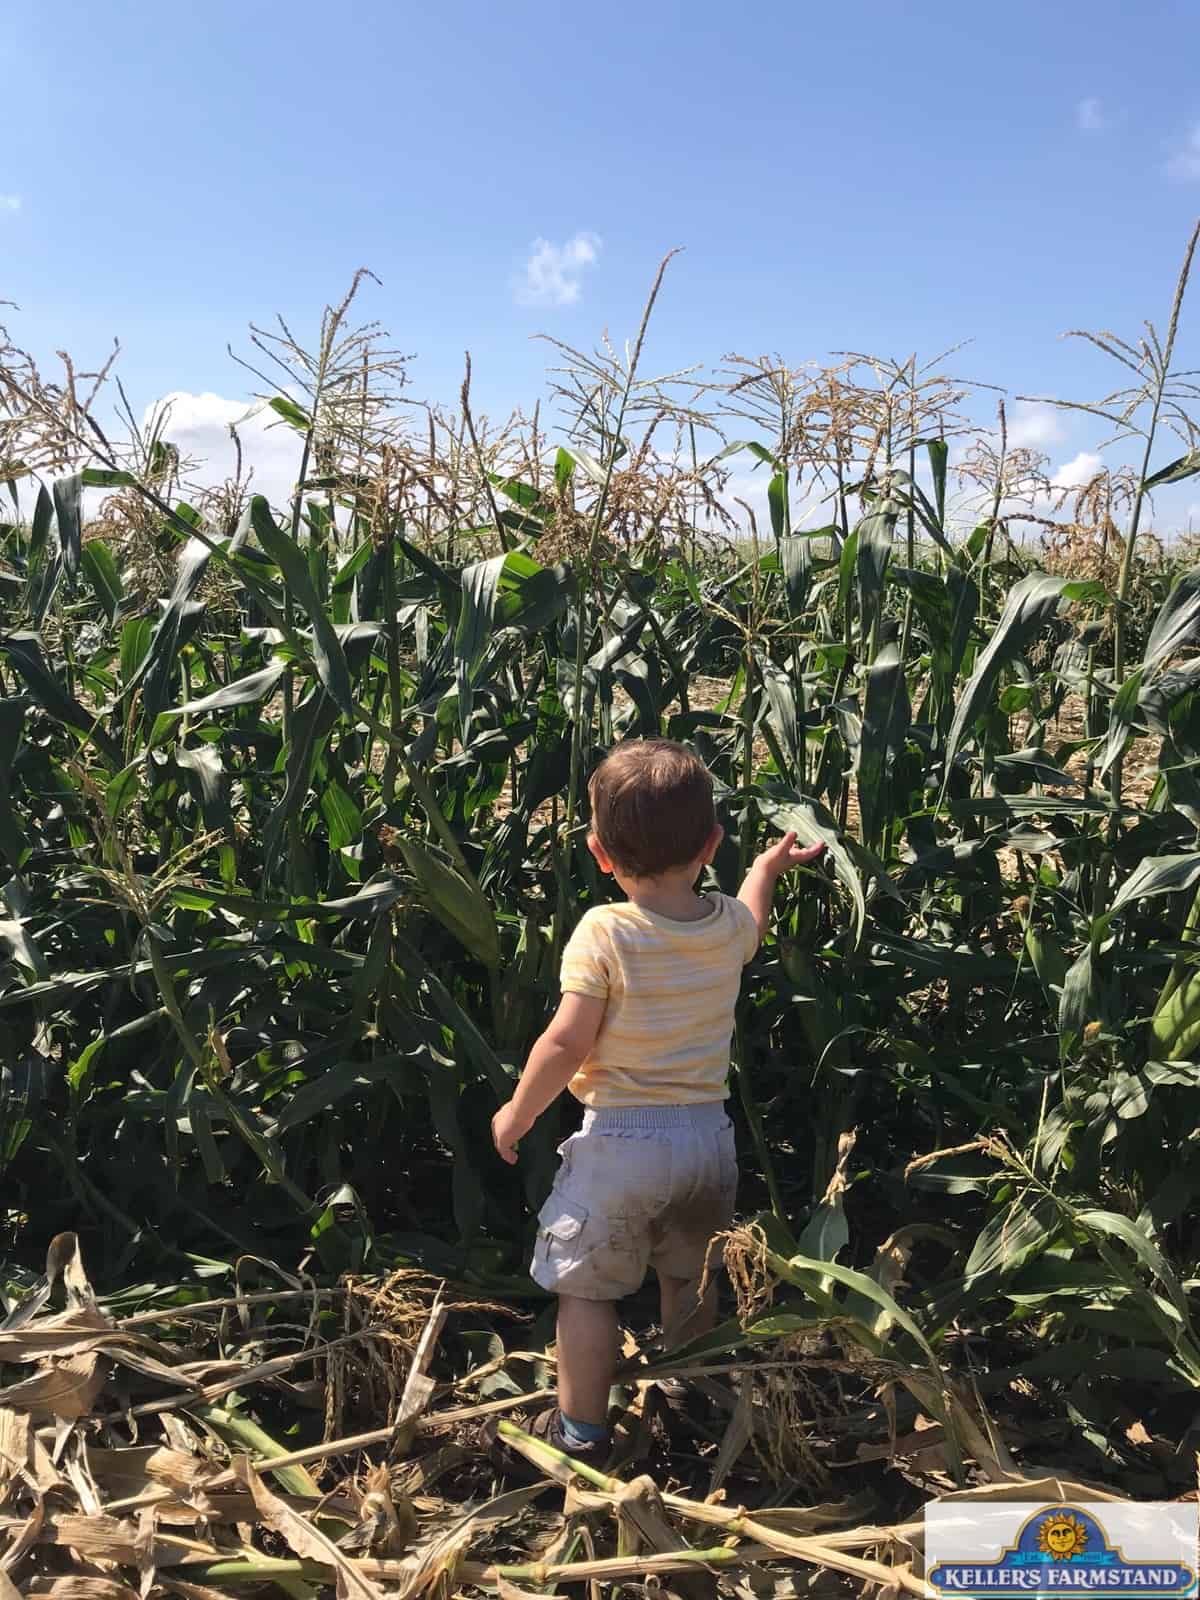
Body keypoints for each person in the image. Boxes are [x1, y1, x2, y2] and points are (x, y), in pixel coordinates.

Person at [489, 738, 825, 1467]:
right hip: (707, 1142)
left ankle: (579, 1434)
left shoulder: (606, 930)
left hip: (621, 1144)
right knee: (690, 1280)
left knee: (585, 1292)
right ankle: (692, 1395)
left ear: (599, 853)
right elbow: (753, 922)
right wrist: (765, 869)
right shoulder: (724, 926)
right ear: (711, 845)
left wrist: (518, 1111)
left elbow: (566, 1040)